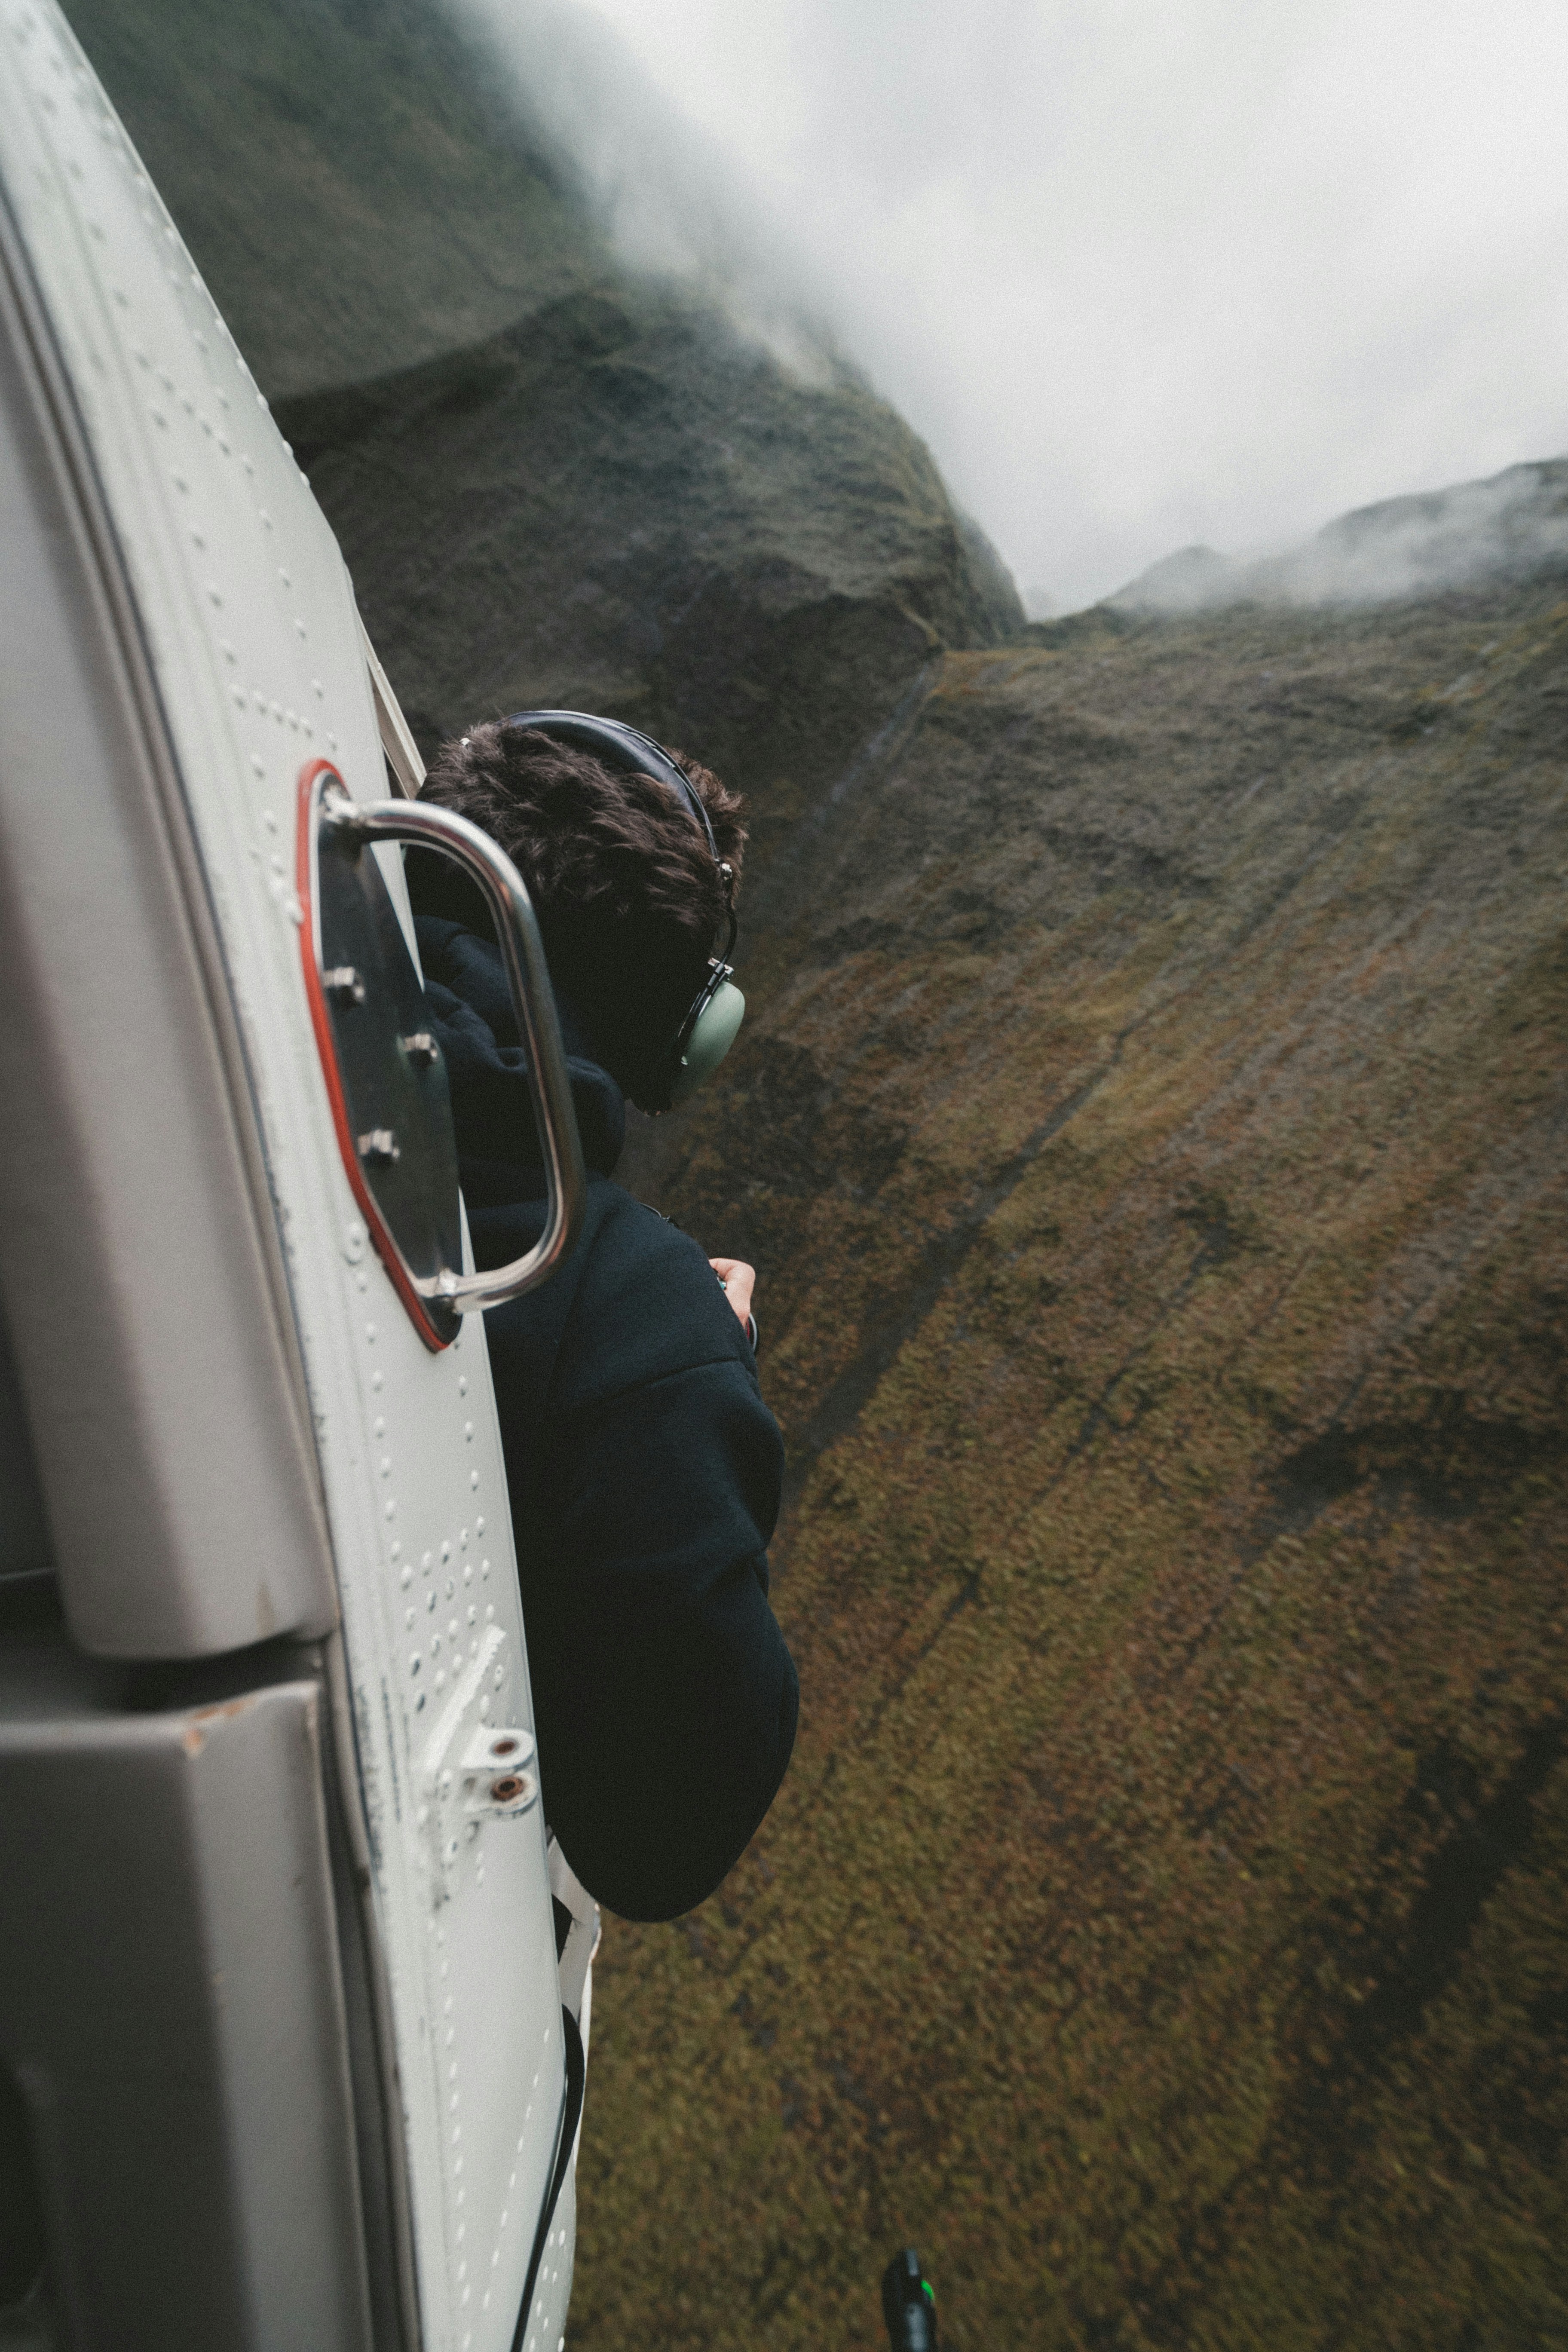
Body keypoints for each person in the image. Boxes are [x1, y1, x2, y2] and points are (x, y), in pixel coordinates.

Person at [407, 712, 798, 1923]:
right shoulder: (632, 1310)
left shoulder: (207, 1011)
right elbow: (666, 1833)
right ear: (677, 1026)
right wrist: (702, 1366)